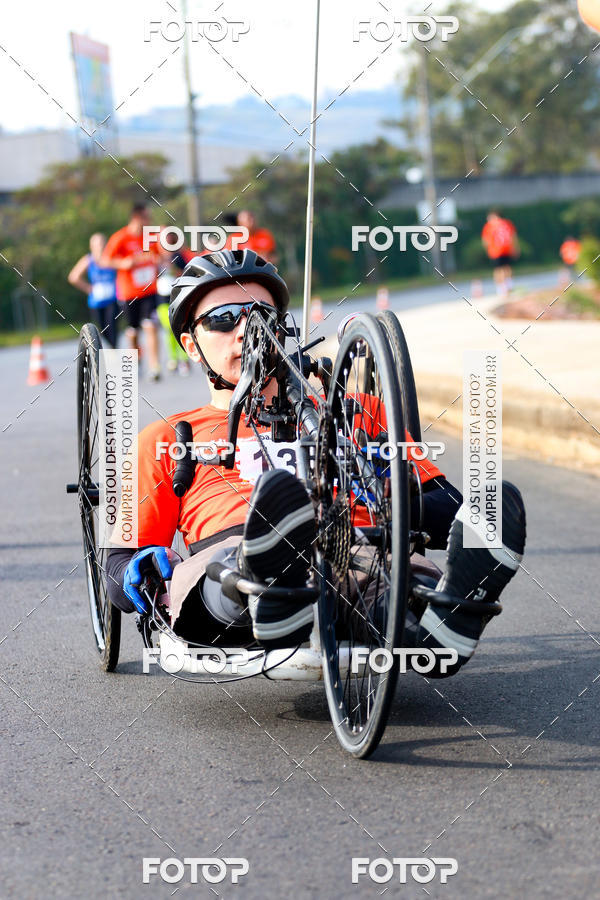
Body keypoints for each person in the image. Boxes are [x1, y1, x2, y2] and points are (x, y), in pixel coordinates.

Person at [106, 250, 526, 677]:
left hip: (356, 548)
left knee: (387, 580)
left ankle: (437, 629)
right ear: (191, 345)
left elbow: (448, 510)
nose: (246, 332)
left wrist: (382, 491)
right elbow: (117, 569)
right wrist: (135, 570)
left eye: (260, 316)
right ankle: (271, 586)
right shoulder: (164, 438)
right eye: (224, 318)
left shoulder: (356, 411)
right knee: (237, 570)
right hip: (231, 559)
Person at [102, 203, 164, 381]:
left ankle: (155, 366)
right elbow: (105, 260)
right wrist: (123, 263)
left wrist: (157, 256)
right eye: (147, 218)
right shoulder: (120, 237)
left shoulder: (150, 237)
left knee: (151, 326)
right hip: (129, 292)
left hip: (150, 290)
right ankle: (137, 359)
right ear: (137, 218)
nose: (150, 221)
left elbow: (162, 256)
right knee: (133, 331)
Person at [67, 234, 119, 348]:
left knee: (113, 327)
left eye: (102, 243)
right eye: (97, 244)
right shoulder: (88, 260)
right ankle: (110, 350)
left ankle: (114, 353)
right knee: (101, 329)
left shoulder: (111, 258)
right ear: (91, 246)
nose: (100, 246)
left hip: (112, 299)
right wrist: (88, 288)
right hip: (96, 301)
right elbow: (73, 277)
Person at [481, 211, 519, 297]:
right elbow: (513, 236)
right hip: (505, 249)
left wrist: (487, 249)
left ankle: (501, 289)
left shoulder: (489, 226)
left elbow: (485, 240)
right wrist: (515, 247)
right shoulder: (507, 223)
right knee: (506, 268)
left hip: (496, 251)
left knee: (499, 269)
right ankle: (508, 287)